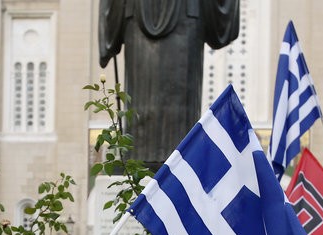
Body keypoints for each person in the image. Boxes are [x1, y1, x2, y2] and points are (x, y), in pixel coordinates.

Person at [99, 0, 241, 168]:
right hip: (152, 21)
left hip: (181, 21)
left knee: (173, 123)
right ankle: (165, 159)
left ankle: (158, 158)